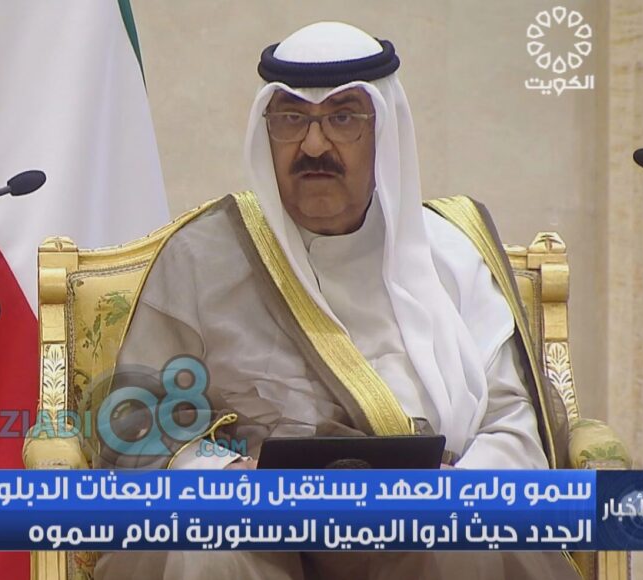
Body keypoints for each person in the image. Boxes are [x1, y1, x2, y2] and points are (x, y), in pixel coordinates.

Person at [94, 22, 577, 579]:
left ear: (384, 130)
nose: (314, 145)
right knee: (212, 546)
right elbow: (136, 419)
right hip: (259, 530)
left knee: (465, 538)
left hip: (424, 525)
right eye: (291, 118)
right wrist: (227, 479)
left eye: (343, 118)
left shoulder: (452, 254)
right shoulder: (204, 258)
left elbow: (513, 423)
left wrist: (453, 493)